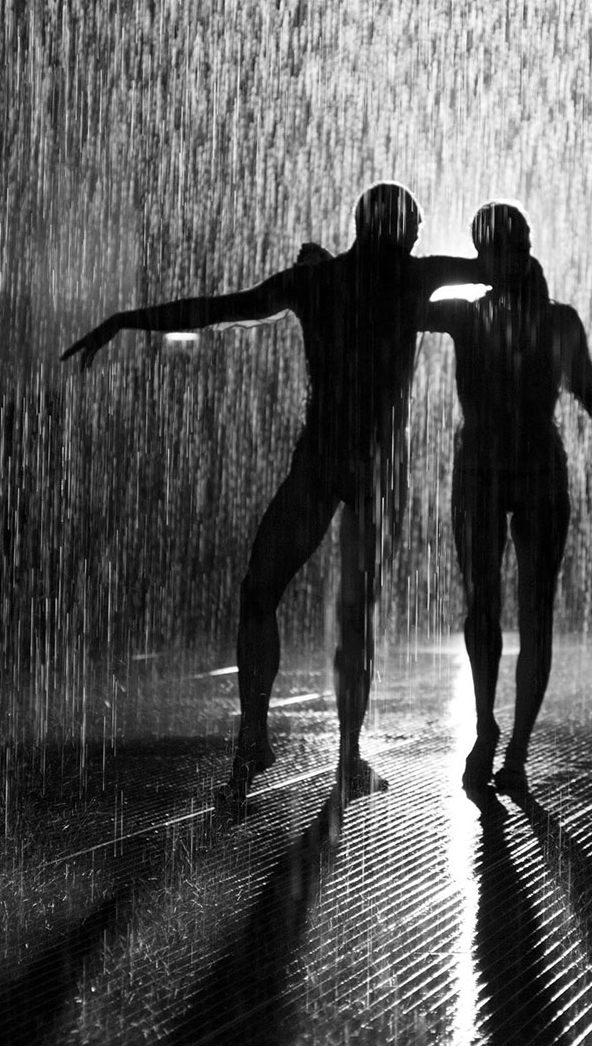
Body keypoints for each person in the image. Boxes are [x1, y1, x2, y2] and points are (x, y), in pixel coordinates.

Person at [62, 183, 483, 807]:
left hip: (323, 462)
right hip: (370, 469)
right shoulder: (414, 278)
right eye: (416, 224)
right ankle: (336, 755)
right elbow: (504, 270)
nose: (420, 233)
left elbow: (214, 309)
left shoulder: (320, 283)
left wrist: (128, 320)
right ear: (399, 229)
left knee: (266, 593)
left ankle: (262, 737)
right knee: (346, 615)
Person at [422, 202, 592, 794]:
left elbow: (399, 306)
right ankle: (515, 753)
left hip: (480, 464)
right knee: (535, 613)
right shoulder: (560, 321)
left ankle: (488, 730)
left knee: (484, 604)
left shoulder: (465, 317)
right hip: (536, 467)